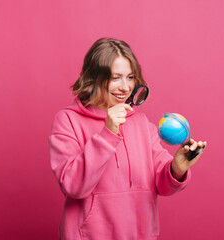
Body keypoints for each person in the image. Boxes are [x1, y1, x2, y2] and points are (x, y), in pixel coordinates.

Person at [49, 38, 207, 240]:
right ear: (94, 78)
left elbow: (162, 184)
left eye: (130, 77)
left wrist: (176, 168)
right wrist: (108, 132)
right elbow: (74, 186)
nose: (125, 87)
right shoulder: (68, 120)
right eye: (115, 78)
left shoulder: (142, 123)